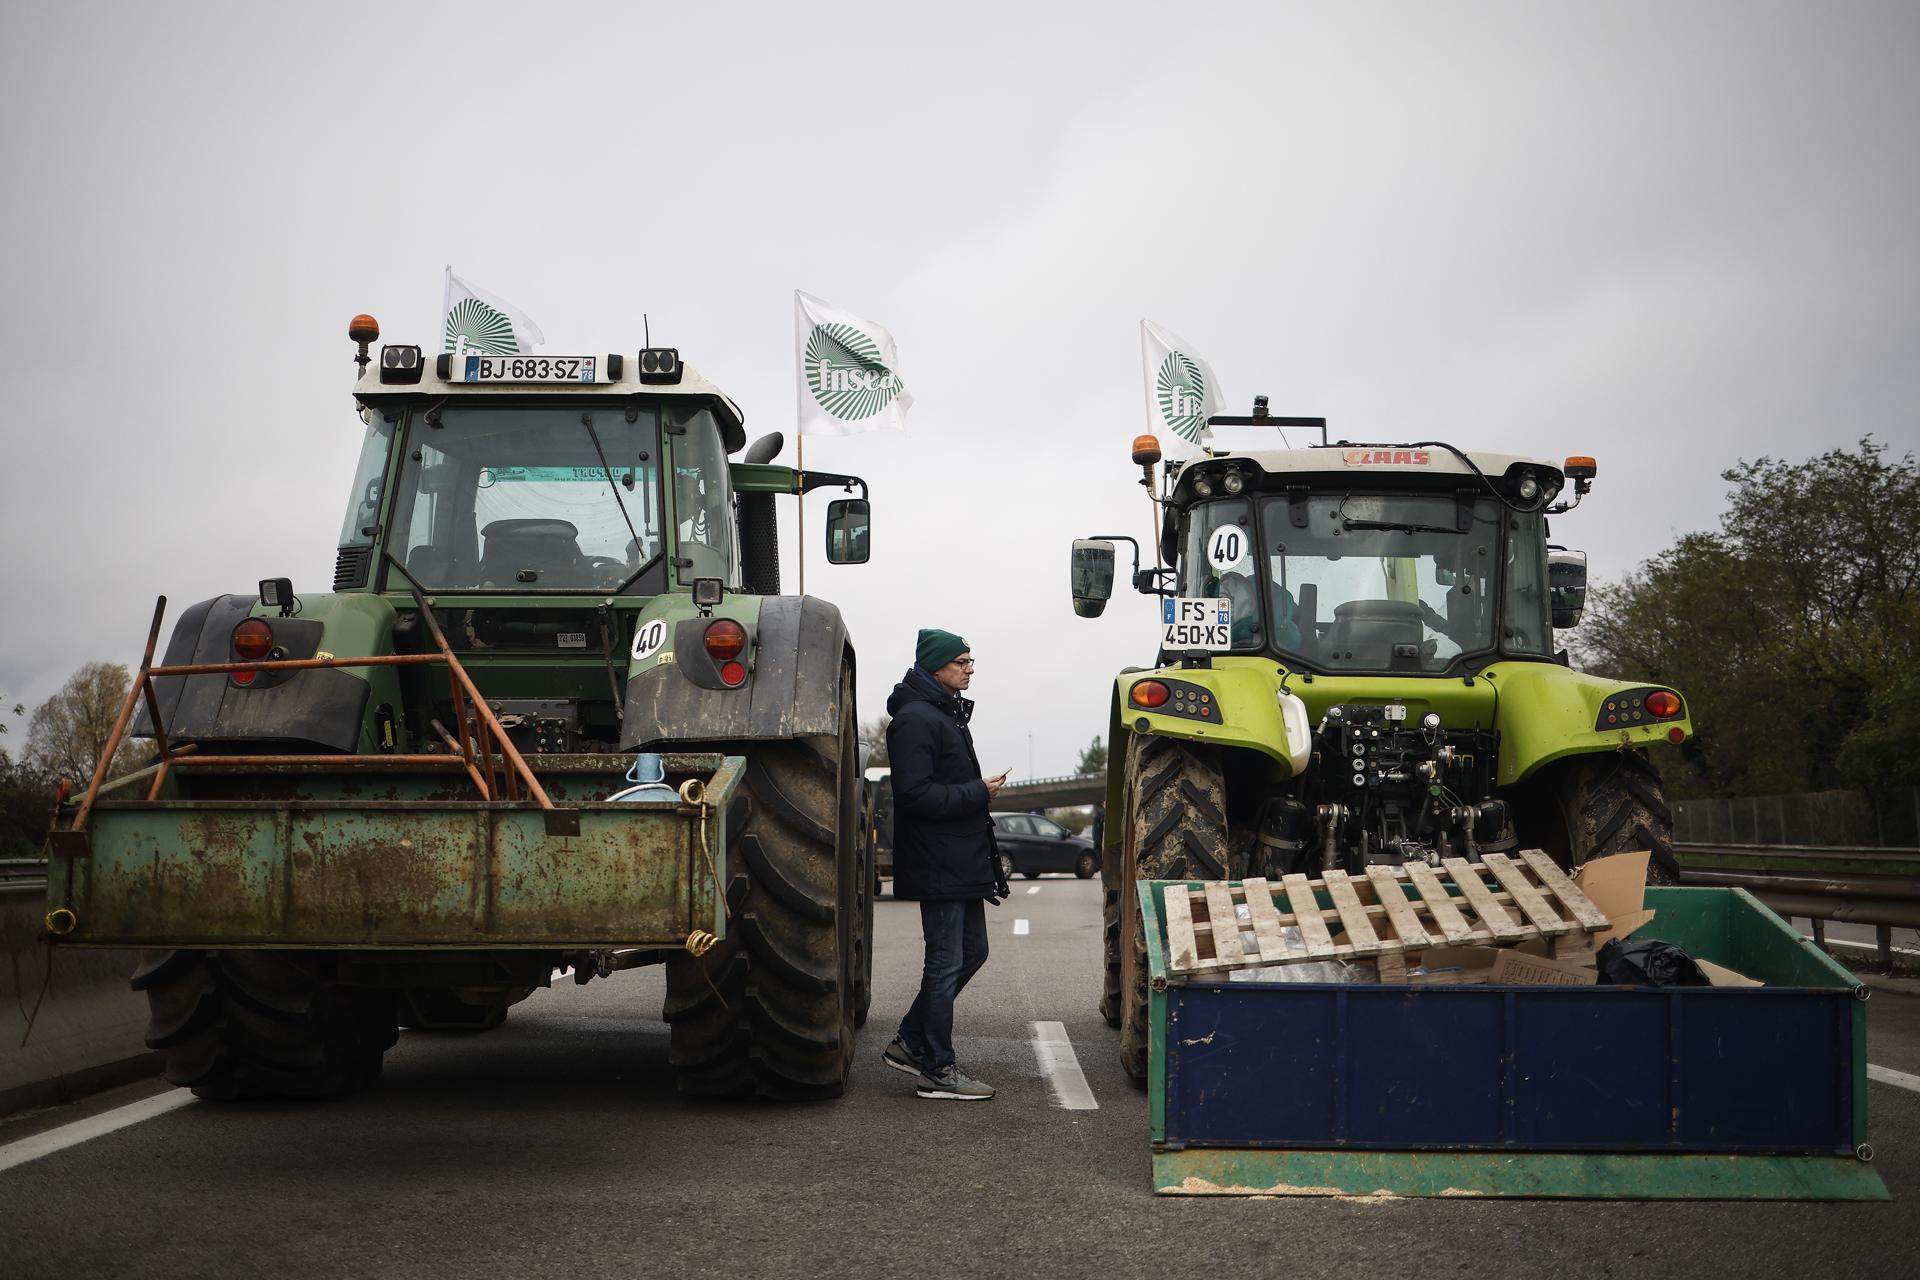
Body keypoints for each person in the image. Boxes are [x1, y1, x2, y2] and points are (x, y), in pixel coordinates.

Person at [881, 628, 1010, 1101]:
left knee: (972, 952)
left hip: (958, 861)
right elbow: (913, 796)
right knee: (943, 963)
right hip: (939, 862)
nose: (970, 668)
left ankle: (911, 1042)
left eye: (970, 661)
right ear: (936, 667)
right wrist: (979, 792)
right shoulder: (915, 720)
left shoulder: (943, 713)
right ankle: (937, 1068)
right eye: (961, 662)